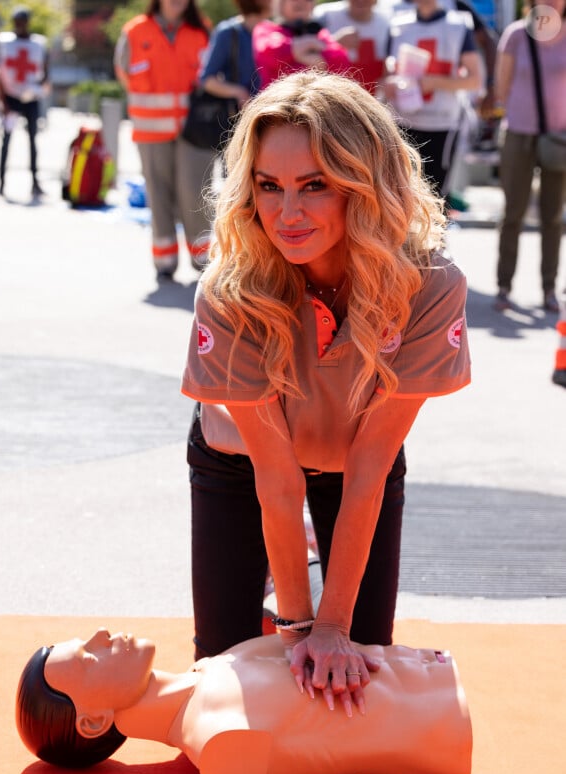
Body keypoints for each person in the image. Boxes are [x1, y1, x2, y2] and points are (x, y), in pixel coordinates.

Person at [181, 71, 471, 705]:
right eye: (269, 186)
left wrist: (335, 628)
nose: (288, 213)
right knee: (225, 683)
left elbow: (372, 464)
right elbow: (276, 475)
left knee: (359, 676)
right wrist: (297, 628)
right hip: (243, 465)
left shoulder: (430, 285)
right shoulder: (231, 290)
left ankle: (308, 582)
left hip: (354, 464)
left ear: (364, 185)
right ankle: (276, 598)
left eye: (315, 185)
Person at [16, 628, 473, 774]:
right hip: (443, 726)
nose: (101, 635)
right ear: (93, 721)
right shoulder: (216, 744)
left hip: (432, 675)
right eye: (87, 659)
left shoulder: (206, 671)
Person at [114, 0, 214, 279]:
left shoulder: (201, 30)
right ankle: (165, 259)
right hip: (150, 128)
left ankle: (203, 255)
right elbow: (123, 72)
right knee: (158, 192)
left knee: (196, 190)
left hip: (193, 129)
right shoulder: (135, 31)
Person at [493, 0, 566, 314]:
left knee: (553, 217)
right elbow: (501, 87)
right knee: (513, 214)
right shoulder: (517, 35)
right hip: (519, 135)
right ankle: (504, 287)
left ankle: (549, 289)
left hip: (559, 139)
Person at [385, 0, 483, 196]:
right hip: (403, 121)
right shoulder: (398, 24)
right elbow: (387, 70)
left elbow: (474, 80)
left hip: (442, 123)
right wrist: (390, 83)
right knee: (402, 191)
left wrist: (434, 82)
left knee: (435, 192)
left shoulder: (457, 25)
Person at [0, 6, 49, 198]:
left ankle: (35, 182)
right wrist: (3, 100)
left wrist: (36, 89)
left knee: (33, 140)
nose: (20, 26)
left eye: (22, 22)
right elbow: (0, 73)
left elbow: (44, 73)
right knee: (6, 140)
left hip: (30, 98)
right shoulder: (5, 43)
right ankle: (1, 183)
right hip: (11, 98)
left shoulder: (38, 44)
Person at [252, 0, 352, 90]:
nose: (301, 2)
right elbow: (271, 53)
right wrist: (314, 53)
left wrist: (295, 55)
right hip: (276, 102)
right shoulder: (266, 29)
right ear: (281, 4)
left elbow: (341, 62)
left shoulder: (319, 33)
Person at [199, 0, 272, 112]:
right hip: (238, 116)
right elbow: (207, 80)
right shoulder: (228, 33)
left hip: (269, 113)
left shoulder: (274, 33)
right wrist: (238, 92)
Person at [312, 0, 392, 95]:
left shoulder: (386, 21)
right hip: (335, 93)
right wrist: (335, 43)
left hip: (373, 96)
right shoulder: (325, 16)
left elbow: (387, 62)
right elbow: (305, 51)